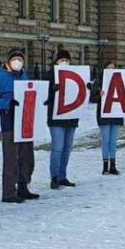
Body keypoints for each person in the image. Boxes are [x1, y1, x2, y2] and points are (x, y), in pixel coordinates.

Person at [0, 49, 40, 202]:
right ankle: (9, 192)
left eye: (20, 59)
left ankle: (23, 186)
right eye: (15, 59)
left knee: (27, 156)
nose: (18, 62)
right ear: (9, 61)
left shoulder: (24, 75)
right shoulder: (0, 78)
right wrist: (7, 103)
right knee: (11, 158)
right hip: (9, 121)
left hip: (25, 121)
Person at [46, 50, 82, 189]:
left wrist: (87, 88)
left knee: (67, 148)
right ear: (57, 61)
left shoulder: (75, 74)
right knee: (57, 148)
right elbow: (43, 96)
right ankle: (54, 177)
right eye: (62, 60)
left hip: (71, 117)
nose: (64, 63)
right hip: (56, 118)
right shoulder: (50, 75)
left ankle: (62, 175)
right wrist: (52, 90)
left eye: (67, 60)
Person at [94, 60, 123, 174]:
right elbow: (92, 98)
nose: (111, 70)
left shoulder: (120, 80)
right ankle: (105, 165)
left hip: (116, 113)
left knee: (113, 141)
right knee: (106, 140)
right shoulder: (100, 81)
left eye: (113, 67)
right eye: (109, 68)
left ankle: (113, 165)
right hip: (104, 114)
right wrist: (98, 95)